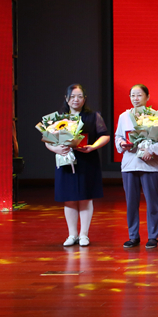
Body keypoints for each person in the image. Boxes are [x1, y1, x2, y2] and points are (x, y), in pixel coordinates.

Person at [46, 84, 110, 247]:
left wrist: (93, 146)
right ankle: (72, 234)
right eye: (72, 96)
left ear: (84, 99)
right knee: (69, 199)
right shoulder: (58, 119)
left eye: (79, 96)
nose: (76, 99)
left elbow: (105, 135)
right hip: (65, 161)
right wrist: (56, 149)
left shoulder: (93, 116)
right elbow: (48, 140)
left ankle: (84, 235)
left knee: (85, 198)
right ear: (66, 99)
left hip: (87, 160)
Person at [115, 84, 158, 249]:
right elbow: (118, 136)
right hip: (130, 164)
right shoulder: (124, 116)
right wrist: (121, 143)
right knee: (131, 203)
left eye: (139, 95)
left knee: (152, 203)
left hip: (150, 165)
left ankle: (153, 236)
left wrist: (150, 151)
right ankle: (133, 236)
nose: (135, 98)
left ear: (147, 97)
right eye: (133, 95)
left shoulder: (157, 117)